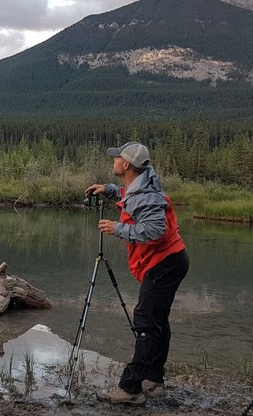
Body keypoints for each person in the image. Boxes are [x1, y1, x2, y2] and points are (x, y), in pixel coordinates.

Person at [85, 141, 189, 407]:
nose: (114, 161)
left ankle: (131, 388)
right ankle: (153, 381)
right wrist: (109, 190)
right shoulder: (141, 184)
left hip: (164, 264)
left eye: (116, 158)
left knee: (145, 322)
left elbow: (155, 229)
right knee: (156, 321)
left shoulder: (147, 194)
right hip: (169, 262)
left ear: (126, 165)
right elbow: (131, 197)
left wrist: (118, 228)